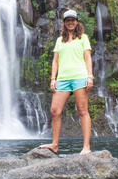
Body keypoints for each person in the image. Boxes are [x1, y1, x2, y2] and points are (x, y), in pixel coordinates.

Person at [40, 9, 94, 155]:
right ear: (64, 23)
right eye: (67, 20)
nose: (70, 22)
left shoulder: (83, 38)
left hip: (80, 77)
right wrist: (53, 79)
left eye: (73, 20)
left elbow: (88, 57)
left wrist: (90, 76)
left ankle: (86, 147)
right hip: (62, 79)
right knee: (54, 111)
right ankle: (55, 145)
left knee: (82, 110)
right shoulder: (59, 40)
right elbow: (55, 61)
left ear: (77, 22)